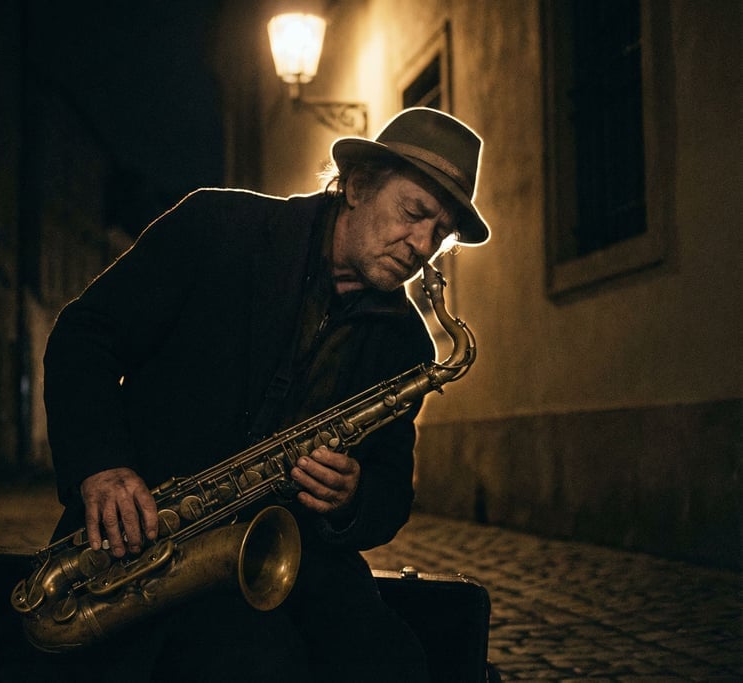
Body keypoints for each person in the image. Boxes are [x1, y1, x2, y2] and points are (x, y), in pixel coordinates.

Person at [43, 107, 490, 682]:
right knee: (252, 662)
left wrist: (353, 497)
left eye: (442, 233)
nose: (422, 245)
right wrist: (103, 467)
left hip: (289, 557)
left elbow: (390, 495)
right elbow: (86, 337)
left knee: (394, 662)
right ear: (356, 185)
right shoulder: (218, 226)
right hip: (145, 541)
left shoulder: (406, 343)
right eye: (415, 213)